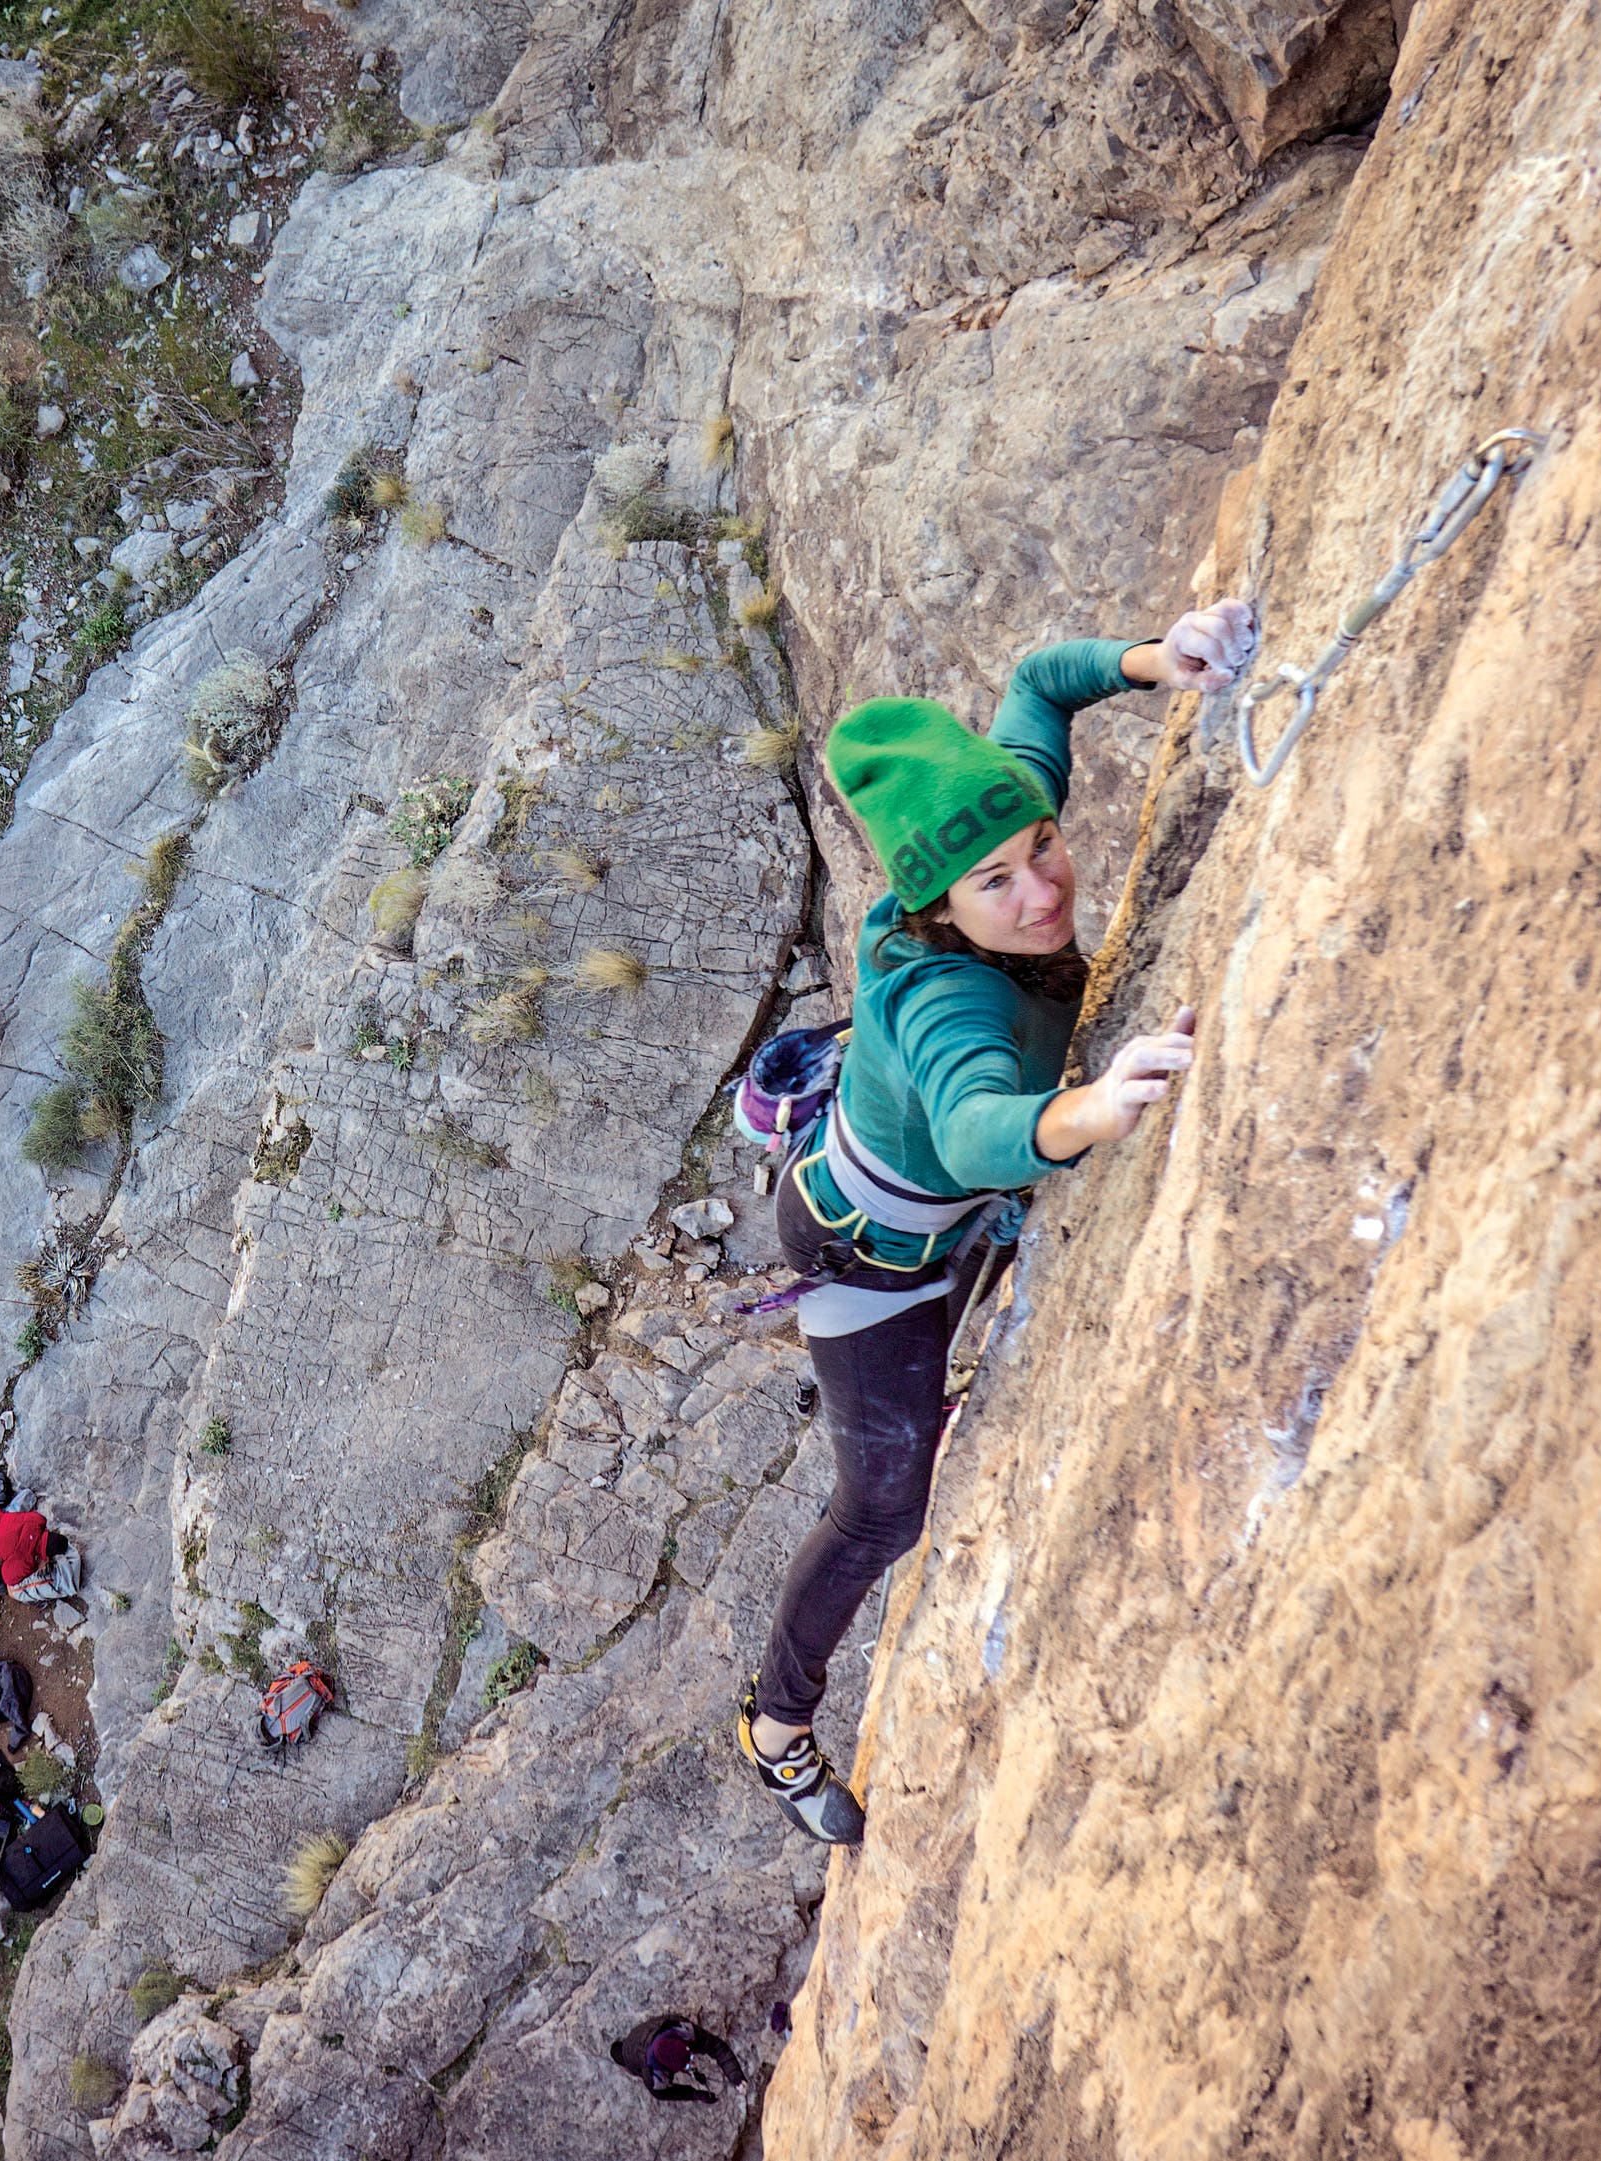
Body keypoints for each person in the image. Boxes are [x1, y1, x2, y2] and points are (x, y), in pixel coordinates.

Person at [737, 602, 1255, 1845]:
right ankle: (775, 1726)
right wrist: (1088, 1106)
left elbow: (1037, 681)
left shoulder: (989, 827)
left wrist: (1155, 659)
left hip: (932, 1209)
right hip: (866, 1251)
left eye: (1041, 848)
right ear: (937, 904)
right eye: (996, 882)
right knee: (884, 1510)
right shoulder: (937, 998)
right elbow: (975, 1130)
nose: (1040, 892)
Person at [605, 2014, 746, 2102]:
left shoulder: (680, 2028)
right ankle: (621, 2054)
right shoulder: (653, 2078)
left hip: (645, 2034)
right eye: (686, 2065)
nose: (691, 2061)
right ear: (667, 2069)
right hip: (635, 2052)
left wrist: (736, 2077)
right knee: (627, 2058)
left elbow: (717, 2047)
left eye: (689, 2054)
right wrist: (694, 2094)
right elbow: (664, 2093)